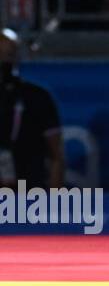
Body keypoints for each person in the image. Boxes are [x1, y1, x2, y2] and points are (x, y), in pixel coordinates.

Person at [0, 27, 64, 188]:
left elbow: (56, 155)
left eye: (9, 55)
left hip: (29, 195)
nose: (4, 63)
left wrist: (53, 203)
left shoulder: (37, 96)